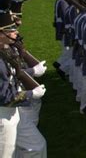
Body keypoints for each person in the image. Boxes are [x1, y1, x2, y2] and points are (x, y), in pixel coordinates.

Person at [0, 11, 46, 157]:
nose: (15, 32)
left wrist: (31, 71)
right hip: (3, 114)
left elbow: (16, 72)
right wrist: (31, 93)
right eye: (11, 30)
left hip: (14, 111)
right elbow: (4, 96)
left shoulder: (5, 50)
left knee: (37, 146)